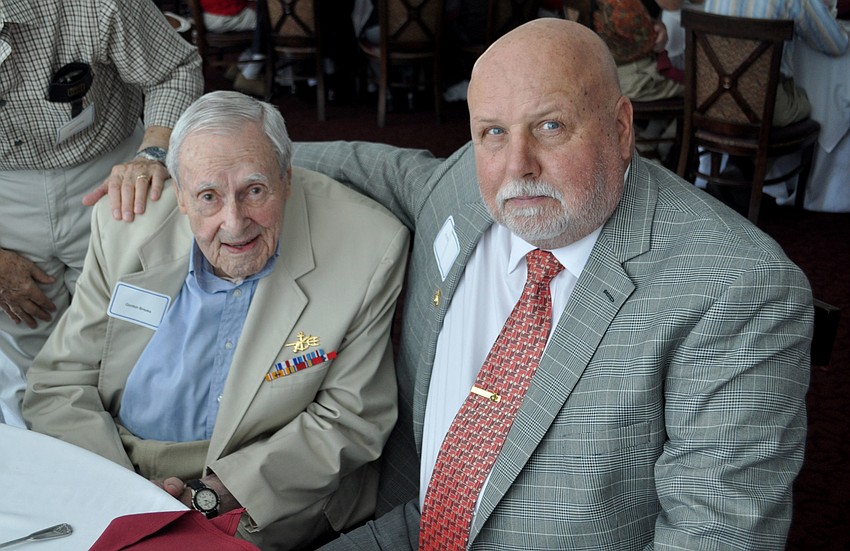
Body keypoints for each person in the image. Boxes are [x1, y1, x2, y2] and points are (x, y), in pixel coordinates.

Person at [291, 17, 814, 550]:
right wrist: (239, 152)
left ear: (621, 127)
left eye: (550, 126)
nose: (518, 165)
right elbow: (382, 169)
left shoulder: (734, 287)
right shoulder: (464, 189)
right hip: (409, 524)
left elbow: (716, 535)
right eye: (493, 131)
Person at [23, 91, 409, 550]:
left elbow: (351, 418)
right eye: (208, 196)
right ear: (180, 195)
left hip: (254, 494)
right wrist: (122, 491)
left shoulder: (370, 247)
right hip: (113, 461)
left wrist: (210, 496)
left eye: (255, 190)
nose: (234, 222)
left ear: (286, 178)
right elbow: (60, 381)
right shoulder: (126, 223)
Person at [0, 0, 202, 427]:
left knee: (136, 334)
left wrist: (154, 152)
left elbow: (174, 70)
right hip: (5, 195)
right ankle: (53, 475)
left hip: (111, 173)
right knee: (24, 362)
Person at [703, 0, 849, 126]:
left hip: (712, 102)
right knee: (819, 107)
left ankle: (740, 155)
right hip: (765, 108)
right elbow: (837, 44)